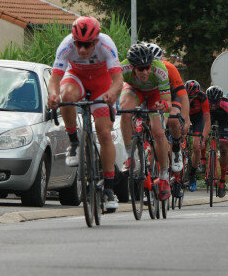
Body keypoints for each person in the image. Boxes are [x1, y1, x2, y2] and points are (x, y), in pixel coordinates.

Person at [47, 16, 124, 212]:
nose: (81, 50)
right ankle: (74, 142)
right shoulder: (66, 45)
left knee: (104, 133)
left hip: (101, 84)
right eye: (78, 44)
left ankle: (108, 188)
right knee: (66, 96)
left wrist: (113, 93)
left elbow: (117, 79)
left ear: (96, 41)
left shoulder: (106, 44)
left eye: (87, 45)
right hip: (77, 78)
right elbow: (55, 79)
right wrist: (53, 95)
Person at [119, 43, 173, 201]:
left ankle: (163, 176)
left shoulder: (160, 70)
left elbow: (168, 103)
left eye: (147, 67)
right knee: (125, 110)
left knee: (158, 132)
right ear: (132, 67)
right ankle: (130, 156)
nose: (145, 72)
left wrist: (162, 106)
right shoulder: (123, 69)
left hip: (155, 94)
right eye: (140, 68)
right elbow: (113, 88)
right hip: (134, 90)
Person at [144, 43, 189, 175]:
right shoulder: (141, 70)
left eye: (156, 62)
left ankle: (175, 148)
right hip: (151, 95)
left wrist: (185, 121)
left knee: (173, 119)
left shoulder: (170, 68)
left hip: (171, 94)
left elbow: (183, 96)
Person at [206, 85, 228, 198]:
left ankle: (222, 181)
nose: (212, 105)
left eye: (215, 103)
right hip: (210, 117)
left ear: (220, 100)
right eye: (210, 103)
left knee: (223, 147)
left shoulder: (227, 105)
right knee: (200, 138)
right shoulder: (205, 104)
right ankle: (203, 161)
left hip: (225, 120)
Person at [184, 80, 210, 191]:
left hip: (198, 119)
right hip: (185, 115)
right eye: (187, 96)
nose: (189, 99)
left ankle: (192, 175)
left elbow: (207, 121)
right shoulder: (181, 94)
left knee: (196, 147)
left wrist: (203, 139)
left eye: (192, 97)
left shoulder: (203, 97)